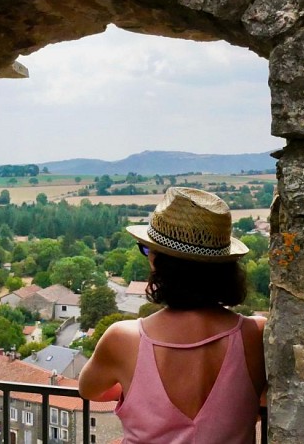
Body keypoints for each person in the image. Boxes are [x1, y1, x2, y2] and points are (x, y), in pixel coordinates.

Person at [78, 187, 266, 444]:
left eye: (147, 250)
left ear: (157, 262)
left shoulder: (123, 339)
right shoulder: (255, 335)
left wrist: (139, 392)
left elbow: (90, 390)